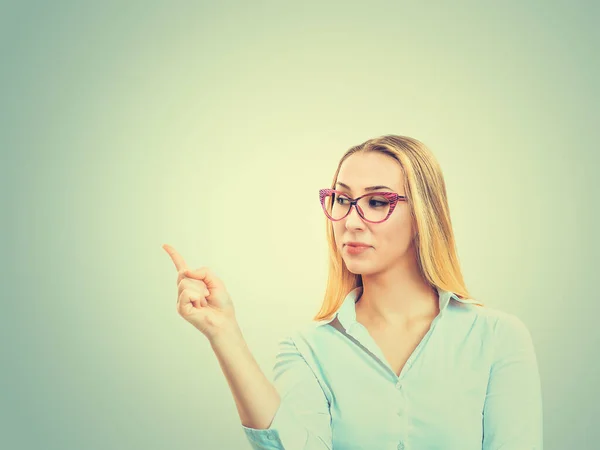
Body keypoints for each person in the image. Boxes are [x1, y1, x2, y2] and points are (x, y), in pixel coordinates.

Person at [163, 134, 543, 450]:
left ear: (423, 216)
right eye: (342, 200)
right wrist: (224, 334)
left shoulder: (497, 338)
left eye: (377, 202)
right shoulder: (306, 349)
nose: (351, 221)